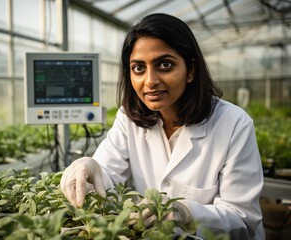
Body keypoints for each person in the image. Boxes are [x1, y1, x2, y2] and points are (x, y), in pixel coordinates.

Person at [60, 13, 265, 239]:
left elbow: (243, 219)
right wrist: (90, 167)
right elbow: (106, 174)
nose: (150, 81)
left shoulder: (234, 123)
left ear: (191, 70)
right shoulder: (129, 118)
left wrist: (187, 212)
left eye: (165, 65)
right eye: (138, 68)